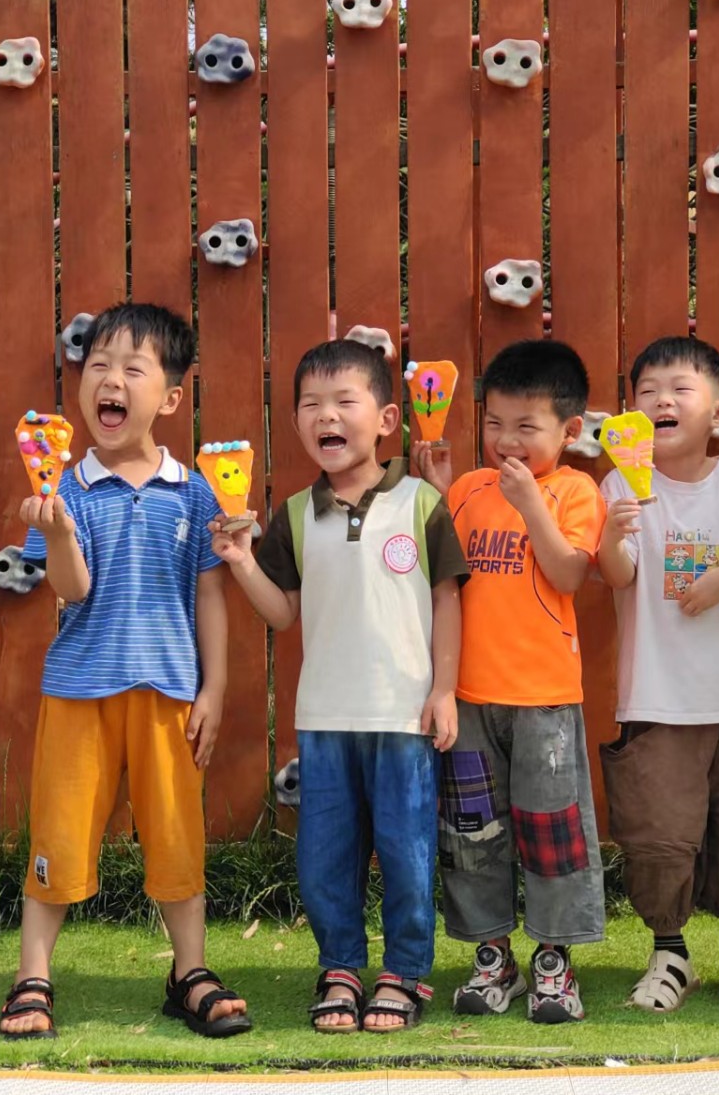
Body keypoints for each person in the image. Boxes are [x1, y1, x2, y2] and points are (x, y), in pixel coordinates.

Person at [0, 302, 251, 1041]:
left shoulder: (197, 491)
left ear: (169, 397)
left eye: (133, 369)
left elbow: (210, 594)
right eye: (97, 365)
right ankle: (32, 975)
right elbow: (71, 589)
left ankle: (189, 972)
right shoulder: (63, 489)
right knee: (60, 831)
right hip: (79, 691)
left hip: (170, 693)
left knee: (177, 835)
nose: (110, 380)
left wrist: (214, 688)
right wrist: (55, 532)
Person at [215, 339, 467, 1033]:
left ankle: (405, 971)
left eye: (344, 401)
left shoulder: (422, 502)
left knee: (408, 852)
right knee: (325, 856)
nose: (326, 415)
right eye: (310, 404)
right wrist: (241, 561)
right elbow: (282, 613)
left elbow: (448, 599)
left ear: (386, 419)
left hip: (405, 716)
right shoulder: (297, 513)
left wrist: (444, 689)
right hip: (324, 716)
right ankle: (340, 967)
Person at [412, 339, 607, 1024]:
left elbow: (569, 573)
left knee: (553, 833)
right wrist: (439, 487)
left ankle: (554, 960)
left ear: (569, 429)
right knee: (472, 834)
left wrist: (531, 506)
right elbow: (444, 575)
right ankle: (491, 956)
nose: (507, 441)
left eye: (527, 426)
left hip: (544, 700)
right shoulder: (469, 489)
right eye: (495, 423)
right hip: (469, 698)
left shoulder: (575, 490)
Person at [596, 335, 719, 1020]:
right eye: (647, 392)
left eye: (680, 389)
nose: (662, 401)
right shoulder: (622, 483)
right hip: (656, 697)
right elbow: (616, 575)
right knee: (658, 834)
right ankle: (669, 952)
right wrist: (613, 534)